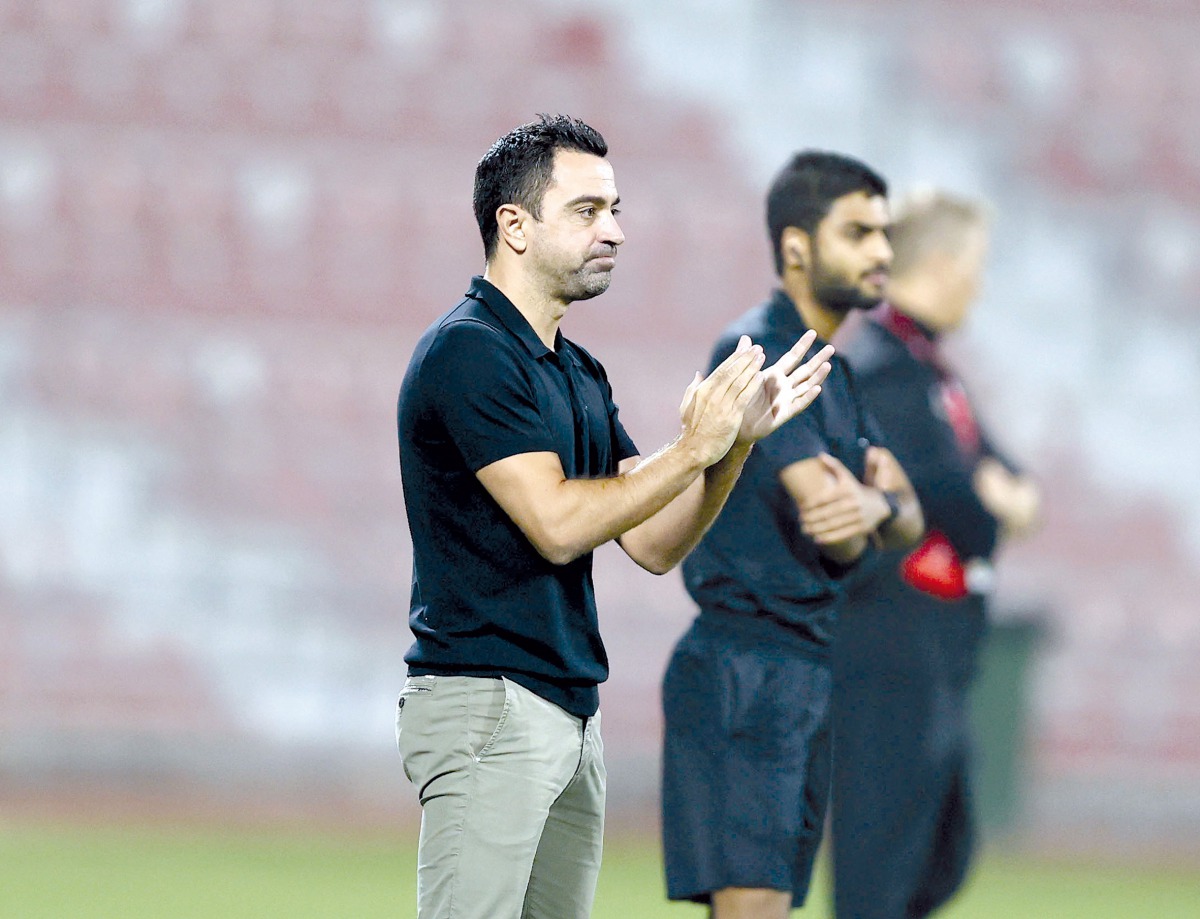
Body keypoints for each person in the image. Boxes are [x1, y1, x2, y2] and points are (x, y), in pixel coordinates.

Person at [394, 114, 834, 919]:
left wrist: (733, 447)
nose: (617, 232)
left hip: (564, 711)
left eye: (616, 209)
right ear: (515, 226)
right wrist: (693, 449)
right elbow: (559, 523)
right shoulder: (469, 351)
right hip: (487, 701)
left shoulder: (576, 370)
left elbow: (652, 543)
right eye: (589, 211)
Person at [660, 150, 925, 919]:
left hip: (800, 666)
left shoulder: (832, 369)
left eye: (885, 232)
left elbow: (898, 515)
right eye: (860, 231)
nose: (882, 251)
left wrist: (876, 508)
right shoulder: (759, 353)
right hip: (747, 667)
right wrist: (877, 509)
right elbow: (835, 529)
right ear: (797, 246)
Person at [828, 189, 1041, 919]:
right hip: (888, 654)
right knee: (880, 869)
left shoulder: (929, 370)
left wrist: (996, 495)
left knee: (942, 851)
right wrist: (992, 501)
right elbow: (962, 498)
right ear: (945, 265)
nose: (980, 283)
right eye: (976, 264)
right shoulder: (883, 366)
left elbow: (1010, 479)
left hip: (936, 658)